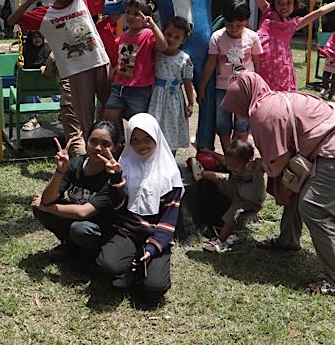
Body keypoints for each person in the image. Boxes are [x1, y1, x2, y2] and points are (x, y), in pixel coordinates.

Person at [222, 73, 335, 295]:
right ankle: (288, 240)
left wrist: (260, 165)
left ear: (242, 99)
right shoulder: (271, 100)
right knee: (294, 188)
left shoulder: (262, 113)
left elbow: (277, 163)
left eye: (235, 105)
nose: (236, 112)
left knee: (314, 207)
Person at [7, 0, 132, 156]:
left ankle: (120, 153)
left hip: (99, 62)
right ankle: (94, 158)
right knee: (85, 118)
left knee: (112, 110)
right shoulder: (44, 15)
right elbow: (12, 20)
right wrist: (30, 1)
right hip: (75, 71)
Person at [96, 114, 183, 302]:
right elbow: (118, 207)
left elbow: (168, 221)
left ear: (157, 137)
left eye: (147, 139)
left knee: (154, 289)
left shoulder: (170, 175)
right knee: (107, 265)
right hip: (128, 231)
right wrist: (116, 178)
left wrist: (152, 248)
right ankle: (130, 267)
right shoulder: (124, 165)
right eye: (135, 140)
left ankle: (140, 268)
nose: (141, 145)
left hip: (155, 234)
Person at [30, 122, 120, 263]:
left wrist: (46, 207)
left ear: (115, 147)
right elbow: (47, 199)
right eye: (93, 141)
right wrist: (60, 171)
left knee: (79, 229)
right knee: (40, 209)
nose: (97, 148)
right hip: (77, 220)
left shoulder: (113, 176)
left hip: (100, 229)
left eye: (105, 144)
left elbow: (83, 213)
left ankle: (91, 253)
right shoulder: (76, 163)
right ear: (86, 141)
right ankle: (71, 245)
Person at [252, 0, 335, 92]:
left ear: (295, 4)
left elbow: (320, 11)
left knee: (276, 96)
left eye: (288, 3)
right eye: (280, 3)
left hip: (278, 68)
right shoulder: (268, 12)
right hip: (256, 59)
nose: (284, 6)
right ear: (274, 3)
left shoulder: (293, 24)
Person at [197, 0, 262, 153]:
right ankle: (228, 156)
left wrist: (258, 88)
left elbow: (257, 64)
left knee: (242, 124)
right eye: (229, 24)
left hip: (245, 90)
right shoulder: (217, 37)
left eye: (238, 25)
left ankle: (239, 156)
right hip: (223, 88)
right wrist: (202, 87)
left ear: (246, 21)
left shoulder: (252, 37)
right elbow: (211, 63)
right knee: (222, 124)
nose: (233, 29)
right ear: (224, 20)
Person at [103, 0, 168, 145]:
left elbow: (163, 46)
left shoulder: (147, 34)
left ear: (145, 17)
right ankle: (119, 144)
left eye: (136, 13)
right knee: (109, 115)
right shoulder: (124, 34)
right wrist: (115, 69)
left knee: (139, 122)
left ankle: (139, 147)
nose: (131, 16)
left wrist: (153, 26)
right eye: (128, 12)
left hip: (139, 88)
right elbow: (125, 57)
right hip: (119, 85)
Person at [190, 140, 266, 252]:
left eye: (235, 167)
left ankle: (220, 241)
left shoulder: (255, 170)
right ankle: (201, 174)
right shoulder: (233, 164)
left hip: (251, 201)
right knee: (223, 178)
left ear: (247, 162)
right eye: (230, 165)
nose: (231, 168)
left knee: (232, 215)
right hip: (238, 192)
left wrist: (256, 162)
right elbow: (223, 159)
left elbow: (267, 164)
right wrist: (209, 152)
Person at [148, 16, 195, 154]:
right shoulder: (155, 52)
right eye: (168, 34)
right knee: (153, 127)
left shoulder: (184, 59)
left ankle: (171, 161)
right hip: (154, 96)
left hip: (173, 100)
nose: (171, 39)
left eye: (177, 37)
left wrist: (191, 103)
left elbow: (187, 82)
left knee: (172, 128)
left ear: (183, 40)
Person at [19, 30, 54, 131]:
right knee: (28, 87)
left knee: (59, 86)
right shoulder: (25, 50)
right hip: (31, 86)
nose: (37, 39)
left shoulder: (48, 49)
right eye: (34, 37)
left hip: (48, 83)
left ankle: (65, 113)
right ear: (30, 39)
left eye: (39, 37)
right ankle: (33, 119)